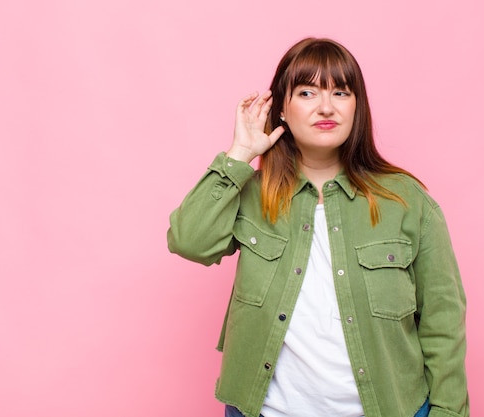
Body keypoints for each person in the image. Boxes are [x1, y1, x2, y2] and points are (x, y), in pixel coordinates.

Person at [167, 37, 468, 417]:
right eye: (307, 92)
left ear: (357, 107)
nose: (326, 106)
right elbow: (189, 241)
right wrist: (240, 155)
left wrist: (448, 411)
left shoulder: (407, 201)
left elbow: (443, 319)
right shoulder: (250, 194)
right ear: (281, 109)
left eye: (341, 92)